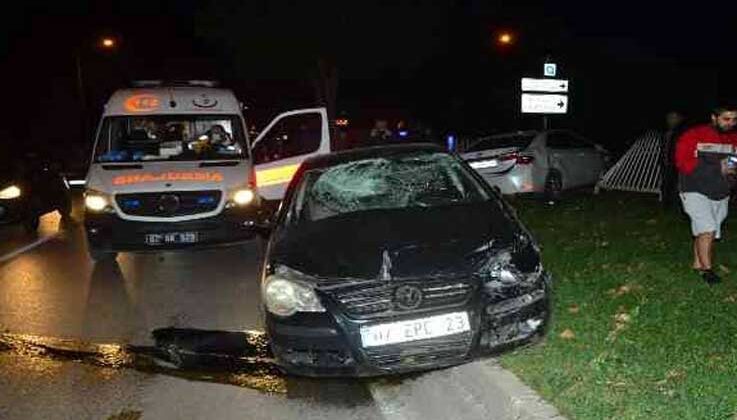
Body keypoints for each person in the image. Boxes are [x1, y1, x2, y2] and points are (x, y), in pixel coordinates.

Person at [675, 105, 737, 284]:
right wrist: (718, 167)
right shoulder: (694, 135)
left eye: (734, 119)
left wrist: (731, 174)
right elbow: (683, 163)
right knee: (707, 228)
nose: (730, 123)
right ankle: (707, 270)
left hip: (720, 191)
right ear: (714, 117)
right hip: (694, 189)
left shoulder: (734, 138)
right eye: (726, 119)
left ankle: (697, 263)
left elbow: (733, 167)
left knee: (706, 230)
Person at [660, 111, 685, 208]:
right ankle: (666, 204)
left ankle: (677, 204)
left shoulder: (681, 132)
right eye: (669, 118)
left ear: (679, 119)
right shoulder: (666, 133)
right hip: (666, 163)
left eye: (673, 118)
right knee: (666, 184)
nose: (670, 120)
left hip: (676, 163)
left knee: (677, 185)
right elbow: (664, 148)